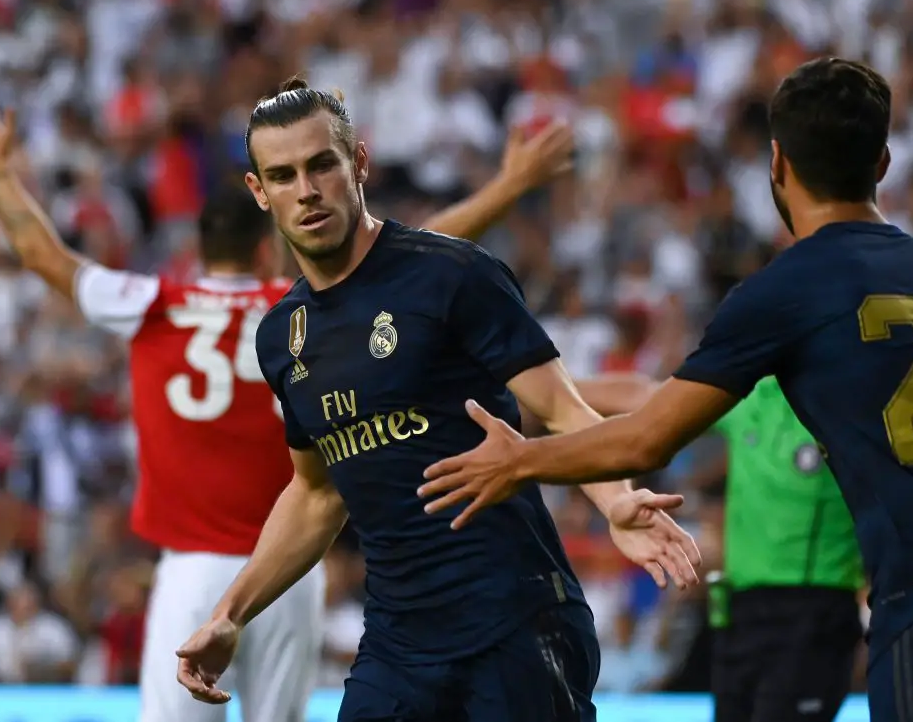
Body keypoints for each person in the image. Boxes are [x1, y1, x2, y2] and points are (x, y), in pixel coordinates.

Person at [419, 58, 913, 722]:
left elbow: (651, 433)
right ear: (881, 163)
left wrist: (521, 460)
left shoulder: (792, 286)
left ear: (777, 164)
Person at [0, 83, 581, 722]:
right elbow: (411, 258)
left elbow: (45, 256)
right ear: (264, 234)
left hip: (204, 569)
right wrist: (508, 188)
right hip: (291, 569)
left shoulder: (157, 304)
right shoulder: (302, 311)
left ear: (197, 252)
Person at [172, 78, 701, 722]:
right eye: (282, 176)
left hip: (514, 619)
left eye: (321, 166)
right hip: (399, 642)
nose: (305, 190)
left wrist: (617, 499)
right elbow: (316, 493)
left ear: (358, 163)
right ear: (260, 192)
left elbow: (561, 407)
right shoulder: (281, 336)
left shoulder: (452, 274)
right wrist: (231, 614)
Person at [577, 373, 863, 722]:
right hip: (738, 610)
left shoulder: (851, 405)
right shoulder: (752, 397)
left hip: (814, 610)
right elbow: (644, 394)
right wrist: (536, 385)